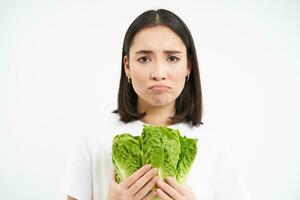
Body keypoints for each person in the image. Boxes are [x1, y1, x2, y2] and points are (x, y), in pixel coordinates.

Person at [61, 8, 249, 200]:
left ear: (188, 66)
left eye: (172, 58)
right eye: (144, 59)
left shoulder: (214, 147)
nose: (159, 72)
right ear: (127, 66)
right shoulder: (93, 137)